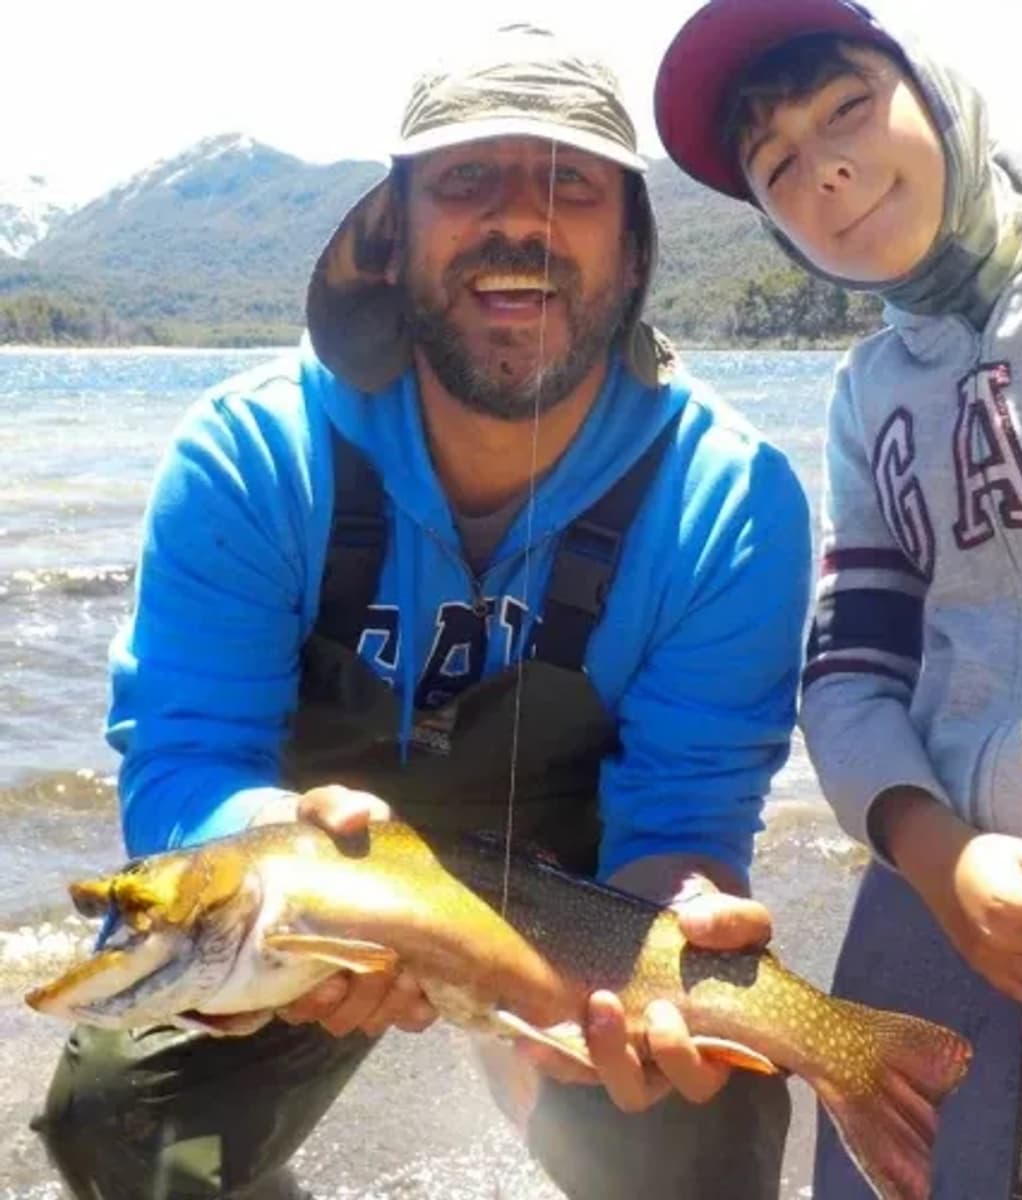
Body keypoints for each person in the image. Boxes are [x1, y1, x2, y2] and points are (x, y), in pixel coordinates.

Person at [33, 23, 811, 1200]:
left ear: (637, 248)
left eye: (573, 186)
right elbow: (185, 763)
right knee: (114, 1113)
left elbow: (683, 821)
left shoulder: (732, 502)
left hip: (578, 913)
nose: (518, 218)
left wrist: (683, 914)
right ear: (391, 238)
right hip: (306, 922)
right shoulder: (251, 457)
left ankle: (527, 1058)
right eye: (465, 180)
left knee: (711, 1109)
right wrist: (280, 850)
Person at [655, 1, 1022, 1197]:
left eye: (847, 106)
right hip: (937, 896)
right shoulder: (866, 396)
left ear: (938, 92)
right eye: (776, 163)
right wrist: (935, 853)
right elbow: (853, 671)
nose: (827, 168)